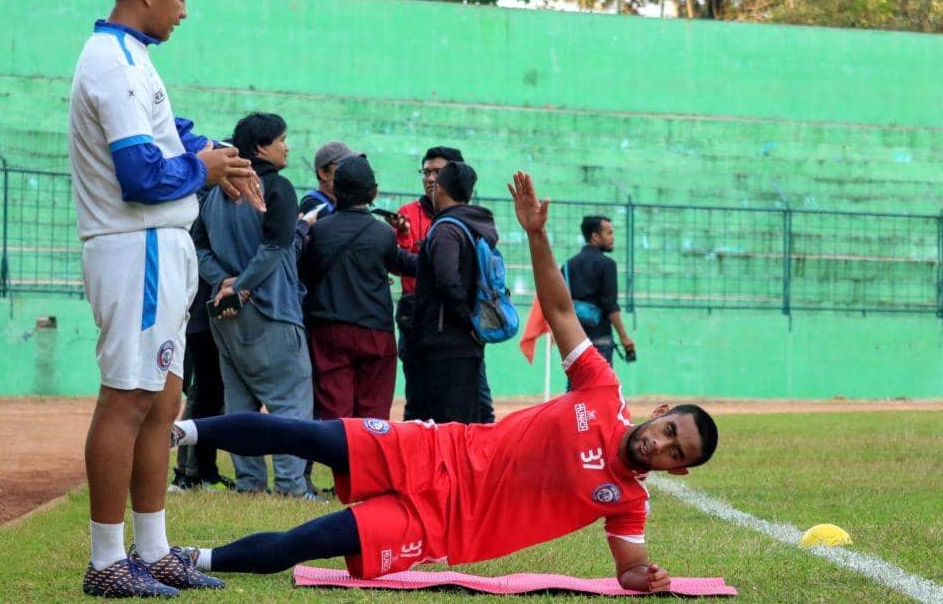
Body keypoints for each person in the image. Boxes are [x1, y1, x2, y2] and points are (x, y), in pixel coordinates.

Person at [169, 171, 718, 593]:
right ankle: (181, 433)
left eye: (675, 453)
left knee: (309, 540)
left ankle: (192, 559)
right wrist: (537, 234)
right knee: (304, 436)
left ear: (680, 470)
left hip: (438, 522)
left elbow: (629, 568)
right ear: (661, 410)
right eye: (670, 430)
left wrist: (644, 577)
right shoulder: (602, 392)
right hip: (433, 449)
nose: (662, 445)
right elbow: (558, 308)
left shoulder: (627, 502)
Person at [69, 0, 263, 597]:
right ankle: (106, 561)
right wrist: (203, 168)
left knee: (162, 402)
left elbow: (168, 135)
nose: (185, 8)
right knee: (128, 399)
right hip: (137, 245)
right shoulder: (110, 62)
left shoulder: (135, 57)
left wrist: (219, 157)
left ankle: (151, 551)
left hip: (163, 247)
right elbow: (139, 173)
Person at [192, 112, 316, 499]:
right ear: (263, 146)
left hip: (224, 316)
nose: (287, 146)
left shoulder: (214, 193)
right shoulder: (276, 186)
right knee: (291, 402)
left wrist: (223, 283)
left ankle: (249, 484)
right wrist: (242, 286)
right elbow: (276, 247)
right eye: (282, 139)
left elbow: (198, 246)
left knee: (239, 404)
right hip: (272, 311)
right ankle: (292, 487)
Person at [301, 156, 418, 420]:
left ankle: (341, 461)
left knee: (335, 413)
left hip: (329, 330)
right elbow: (404, 264)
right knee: (373, 414)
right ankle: (367, 461)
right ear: (373, 192)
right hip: (375, 331)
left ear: (335, 189)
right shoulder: (383, 233)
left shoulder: (318, 230)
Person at [394, 146, 495, 423]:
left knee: (438, 414)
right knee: (462, 409)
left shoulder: (447, 227)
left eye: (438, 174)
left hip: (445, 333)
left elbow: (447, 280)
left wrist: (466, 320)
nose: (430, 179)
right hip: (435, 325)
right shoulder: (474, 222)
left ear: (448, 183)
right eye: (426, 172)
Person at [168, 273, 234, 492]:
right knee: (205, 396)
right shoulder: (199, 243)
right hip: (204, 321)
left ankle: (194, 473)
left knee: (205, 396)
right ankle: (192, 474)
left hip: (202, 320)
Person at [563, 215, 636, 389]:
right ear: (595, 236)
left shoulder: (567, 265)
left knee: (574, 391)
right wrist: (624, 337)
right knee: (600, 390)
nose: (612, 237)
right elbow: (610, 304)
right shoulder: (607, 264)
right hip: (600, 339)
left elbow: (561, 304)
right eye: (609, 233)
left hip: (574, 341)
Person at [298, 141, 361, 219]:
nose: (349, 170)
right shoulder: (314, 205)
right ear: (323, 173)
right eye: (343, 165)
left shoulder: (342, 204)